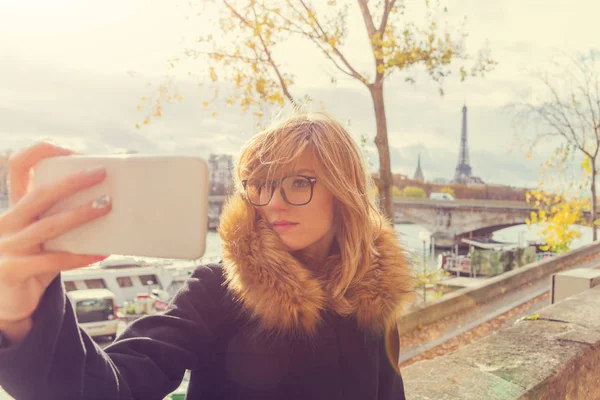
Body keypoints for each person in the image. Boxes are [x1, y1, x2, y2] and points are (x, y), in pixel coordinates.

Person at [0, 112, 414, 400]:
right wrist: (21, 320)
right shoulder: (219, 290)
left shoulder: (372, 295)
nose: (273, 204)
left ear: (344, 192)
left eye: (298, 183)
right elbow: (116, 387)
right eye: (260, 184)